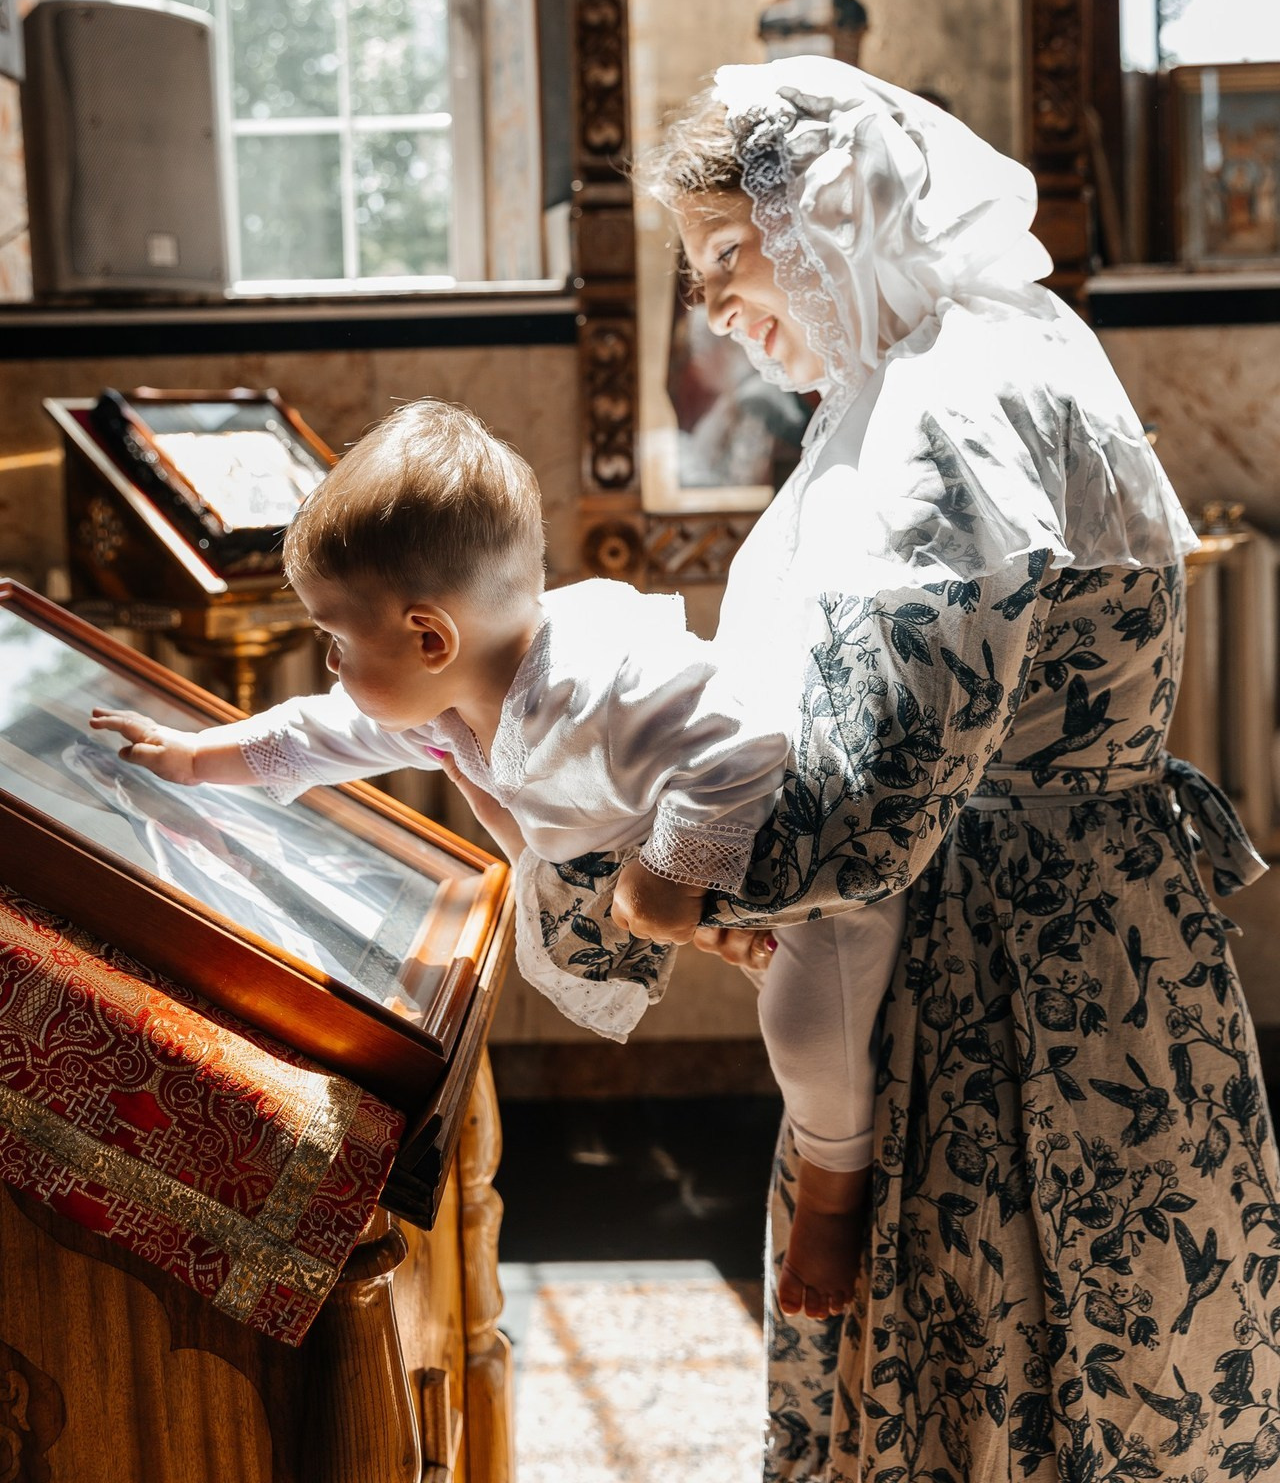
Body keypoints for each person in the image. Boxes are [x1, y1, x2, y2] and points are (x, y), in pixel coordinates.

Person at [620, 55, 1275, 1481]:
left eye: (729, 255)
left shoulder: (942, 408)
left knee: (989, 1355)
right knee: (1130, 1352)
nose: (710, 305)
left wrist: (655, 870)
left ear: (835, 216)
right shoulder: (1008, 345)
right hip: (1111, 935)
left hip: (995, 974)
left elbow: (878, 795)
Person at [89, 396, 896, 1314]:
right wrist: (193, 756)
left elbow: (744, 745)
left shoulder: (597, 686)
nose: (329, 665)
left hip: (820, 878)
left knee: (806, 1033)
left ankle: (834, 1194)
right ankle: (730, 941)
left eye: (334, 640)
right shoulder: (450, 690)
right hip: (677, 860)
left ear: (429, 636)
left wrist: (673, 878)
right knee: (748, 970)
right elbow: (320, 736)